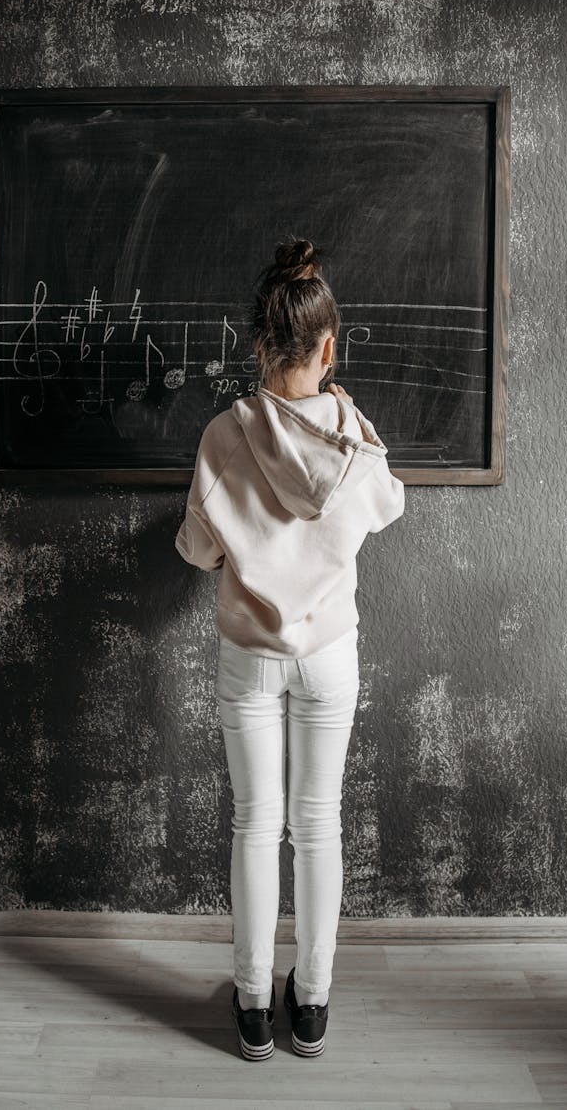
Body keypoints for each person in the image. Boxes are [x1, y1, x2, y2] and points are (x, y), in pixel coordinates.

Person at [175, 237, 405, 1060]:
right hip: (329, 654)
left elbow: (198, 553)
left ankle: (250, 1004)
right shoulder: (354, 442)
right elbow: (389, 506)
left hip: (250, 655)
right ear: (329, 346)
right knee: (319, 825)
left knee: (253, 822)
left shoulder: (221, 437)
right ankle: (310, 1002)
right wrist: (353, 422)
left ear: (257, 343)